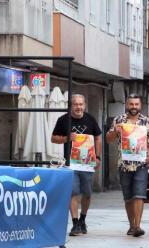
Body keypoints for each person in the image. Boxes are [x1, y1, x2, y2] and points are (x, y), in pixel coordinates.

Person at [106, 94, 149, 237]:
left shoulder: (146, 121)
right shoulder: (119, 120)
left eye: (136, 104)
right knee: (128, 197)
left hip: (141, 164)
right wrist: (115, 131)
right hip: (124, 165)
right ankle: (131, 225)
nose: (133, 107)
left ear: (140, 106)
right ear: (126, 105)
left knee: (139, 195)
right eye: (131, 104)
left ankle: (138, 226)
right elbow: (108, 139)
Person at [51, 94, 102, 237]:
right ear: (71, 106)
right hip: (71, 164)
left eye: (81, 104)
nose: (79, 107)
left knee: (87, 193)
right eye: (75, 104)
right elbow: (53, 138)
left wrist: (97, 157)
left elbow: (98, 138)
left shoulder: (90, 119)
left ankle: (83, 220)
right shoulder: (63, 120)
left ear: (84, 105)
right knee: (72, 192)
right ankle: (74, 223)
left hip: (87, 163)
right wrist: (67, 138)